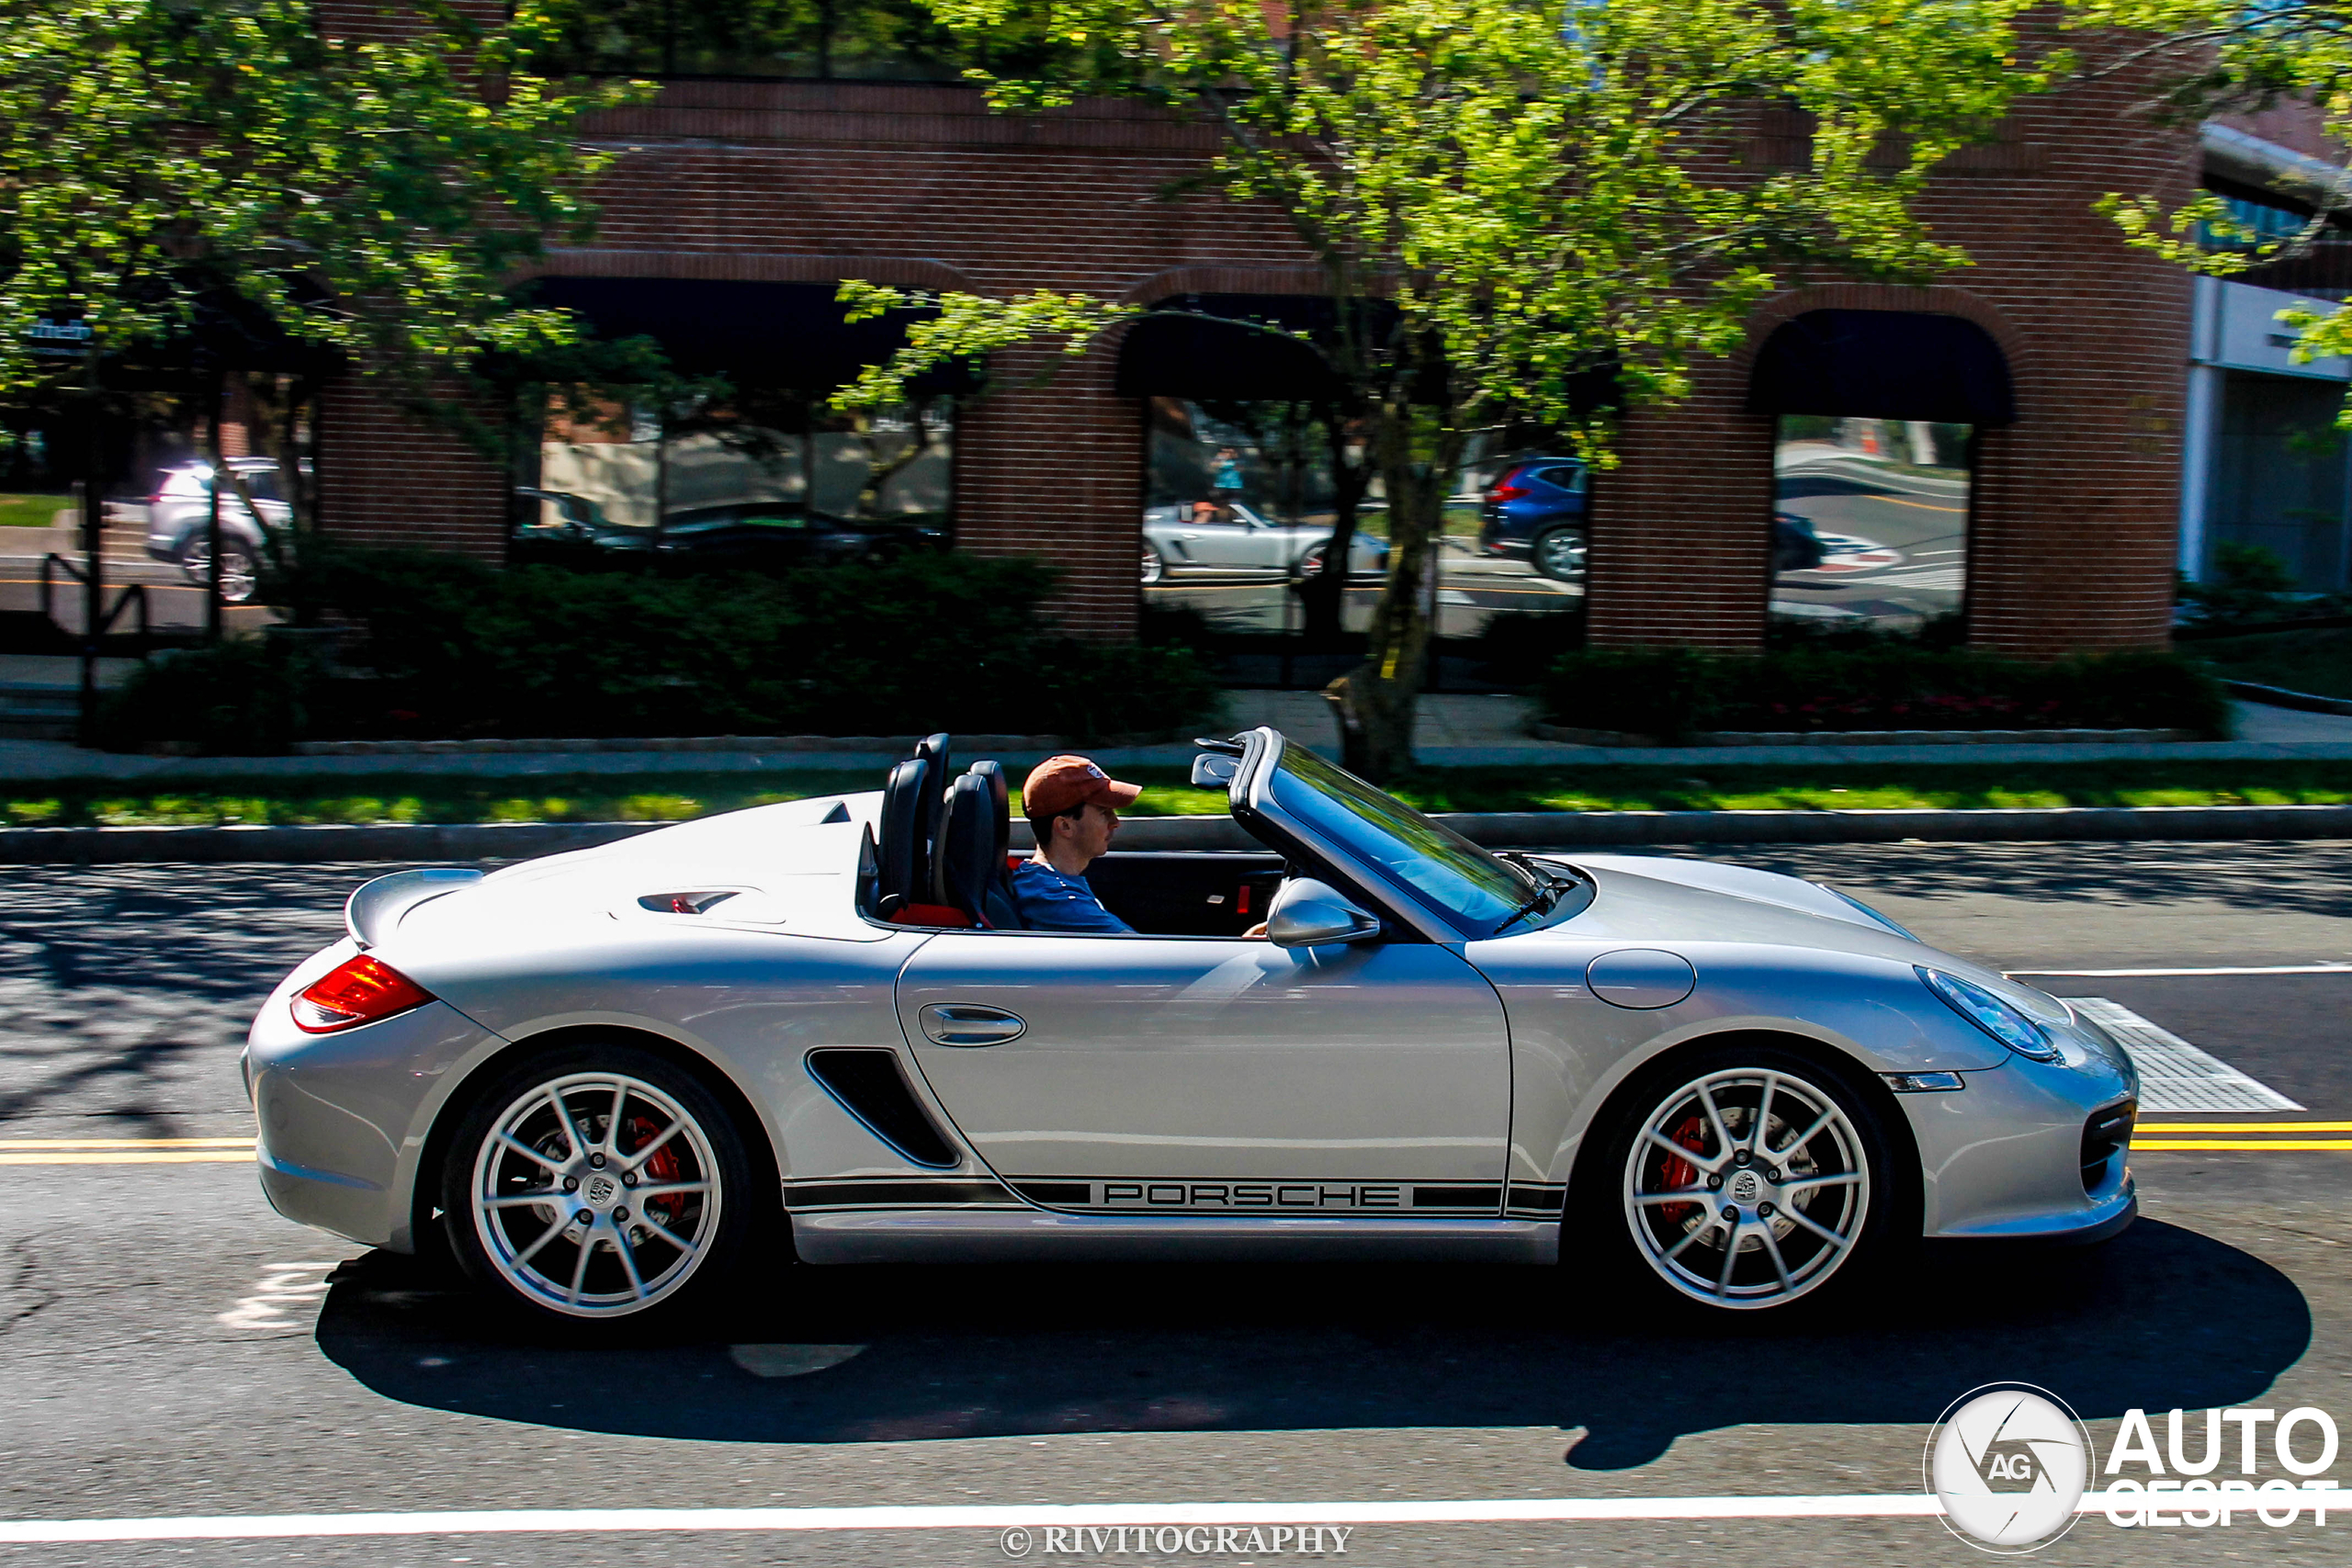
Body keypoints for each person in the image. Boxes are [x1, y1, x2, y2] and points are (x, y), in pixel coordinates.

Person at [1012, 755, 1142, 933]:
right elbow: (1142, 953)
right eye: (1104, 812)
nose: (1115, 822)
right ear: (1065, 826)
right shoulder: (1057, 900)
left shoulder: (1048, 883)